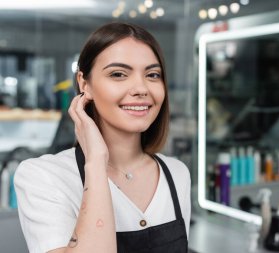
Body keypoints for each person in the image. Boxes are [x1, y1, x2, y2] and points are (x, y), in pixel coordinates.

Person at [14, 22, 191, 253]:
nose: (141, 88)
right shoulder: (44, 177)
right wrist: (96, 161)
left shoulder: (177, 174)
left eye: (152, 74)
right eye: (118, 74)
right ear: (84, 84)